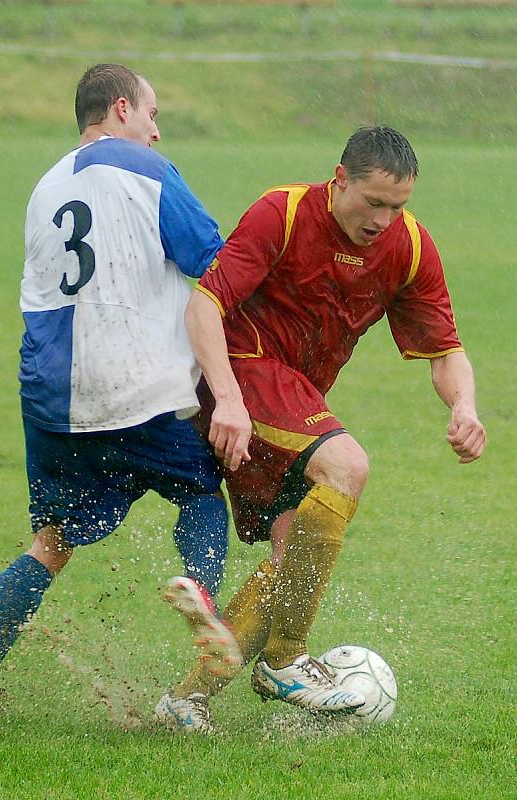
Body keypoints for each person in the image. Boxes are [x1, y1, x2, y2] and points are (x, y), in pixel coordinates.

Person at [0, 63, 241, 718]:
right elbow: (215, 265)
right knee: (198, 492)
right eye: (153, 115)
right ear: (122, 108)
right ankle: (202, 593)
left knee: (49, 544)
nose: (156, 133)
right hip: (137, 385)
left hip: (51, 399)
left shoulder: (45, 186)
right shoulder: (150, 172)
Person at [155, 126, 486, 733]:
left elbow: (446, 350)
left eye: (399, 206)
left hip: (293, 404)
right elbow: (204, 305)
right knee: (348, 465)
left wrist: (463, 407)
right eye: (374, 202)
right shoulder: (281, 213)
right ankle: (285, 662)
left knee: (291, 555)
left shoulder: (408, 248)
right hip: (241, 373)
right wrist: (226, 398)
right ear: (340, 180)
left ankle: (186, 699)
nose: (384, 219)